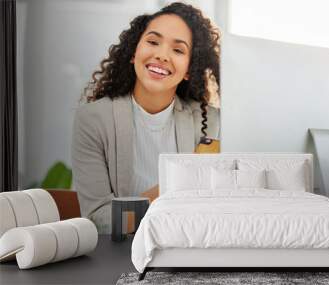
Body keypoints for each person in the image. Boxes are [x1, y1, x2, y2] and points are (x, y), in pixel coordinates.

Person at [71, 2, 220, 233]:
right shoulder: (93, 119)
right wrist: (178, 182)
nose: (161, 55)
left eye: (178, 50)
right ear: (134, 53)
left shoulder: (211, 121)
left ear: (189, 70)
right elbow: (98, 219)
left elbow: (213, 207)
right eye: (152, 42)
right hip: (121, 254)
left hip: (186, 243)